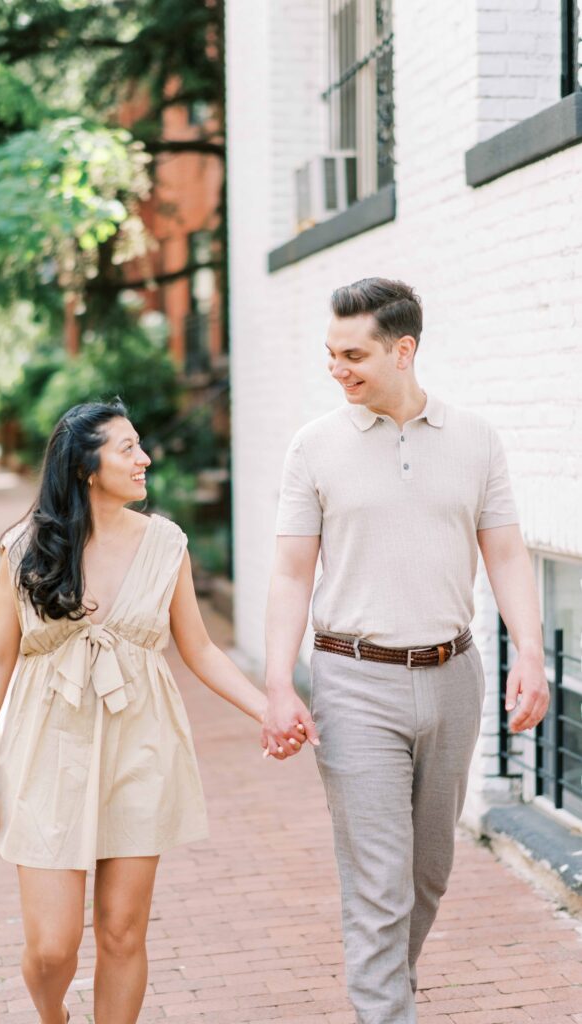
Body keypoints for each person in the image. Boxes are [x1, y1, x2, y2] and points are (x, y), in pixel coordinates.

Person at [0, 399, 307, 1024]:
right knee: (51, 948)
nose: (144, 458)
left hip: (139, 745)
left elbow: (199, 648)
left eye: (140, 444)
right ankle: (53, 1016)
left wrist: (268, 709)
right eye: (127, 448)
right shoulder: (25, 549)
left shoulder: (166, 543)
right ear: (85, 466)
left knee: (122, 934)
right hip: (45, 749)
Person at [260, 278, 550, 1023]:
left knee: (427, 872)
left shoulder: (475, 439)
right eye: (329, 354)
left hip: (454, 676)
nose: (337, 368)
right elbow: (291, 572)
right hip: (353, 680)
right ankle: (384, 1010)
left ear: (403, 348)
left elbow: (508, 554)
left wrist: (528, 652)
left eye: (352, 354)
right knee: (378, 880)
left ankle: (388, 983)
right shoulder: (315, 446)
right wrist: (276, 686)